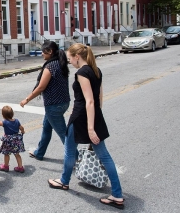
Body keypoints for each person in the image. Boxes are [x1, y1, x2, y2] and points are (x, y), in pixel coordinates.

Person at [48, 43, 124, 210]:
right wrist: (95, 121)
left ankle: (64, 181)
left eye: (70, 59)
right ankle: (117, 194)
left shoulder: (81, 73)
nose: (69, 62)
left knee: (69, 151)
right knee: (104, 156)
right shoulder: (96, 70)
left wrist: (90, 128)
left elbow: (89, 101)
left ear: (77, 57)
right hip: (94, 116)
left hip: (81, 117)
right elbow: (99, 99)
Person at [20, 41, 70, 161]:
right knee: (46, 128)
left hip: (54, 105)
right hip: (63, 102)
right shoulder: (60, 62)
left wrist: (26, 99)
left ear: (50, 51)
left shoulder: (50, 66)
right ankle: (39, 152)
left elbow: (41, 87)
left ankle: (76, 158)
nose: (42, 53)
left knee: (64, 134)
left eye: (44, 51)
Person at [0, 106, 25, 173]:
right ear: (12, 114)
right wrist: (23, 131)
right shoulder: (17, 121)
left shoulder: (5, 122)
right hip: (16, 140)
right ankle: (20, 167)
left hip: (8, 141)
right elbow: (21, 127)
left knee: (6, 154)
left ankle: (6, 166)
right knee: (17, 154)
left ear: (3, 115)